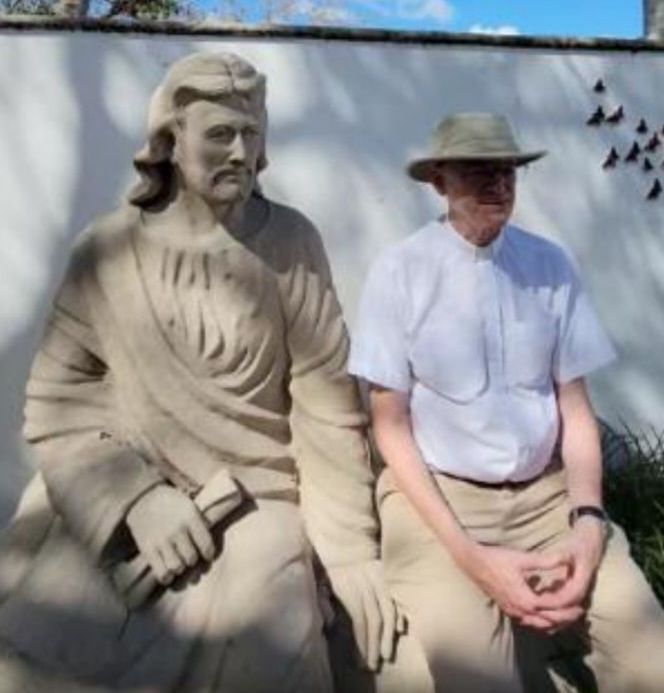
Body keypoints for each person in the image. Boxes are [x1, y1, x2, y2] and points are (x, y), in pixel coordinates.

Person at [0, 50, 398, 692]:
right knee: (40, 636)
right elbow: (55, 402)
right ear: (171, 140)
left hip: (258, 499)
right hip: (126, 490)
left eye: (251, 134)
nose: (241, 152)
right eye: (219, 134)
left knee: (278, 630)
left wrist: (351, 552)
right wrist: (139, 501)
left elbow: (326, 404)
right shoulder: (107, 251)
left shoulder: (292, 244)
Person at [349, 112, 664, 693]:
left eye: (508, 170)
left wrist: (589, 523)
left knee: (652, 660)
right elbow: (388, 425)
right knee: (480, 682)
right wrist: (470, 556)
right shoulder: (400, 272)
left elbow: (575, 409)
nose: (499, 183)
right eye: (478, 171)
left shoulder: (551, 266)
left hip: (548, 498)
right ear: (439, 182)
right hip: (439, 502)